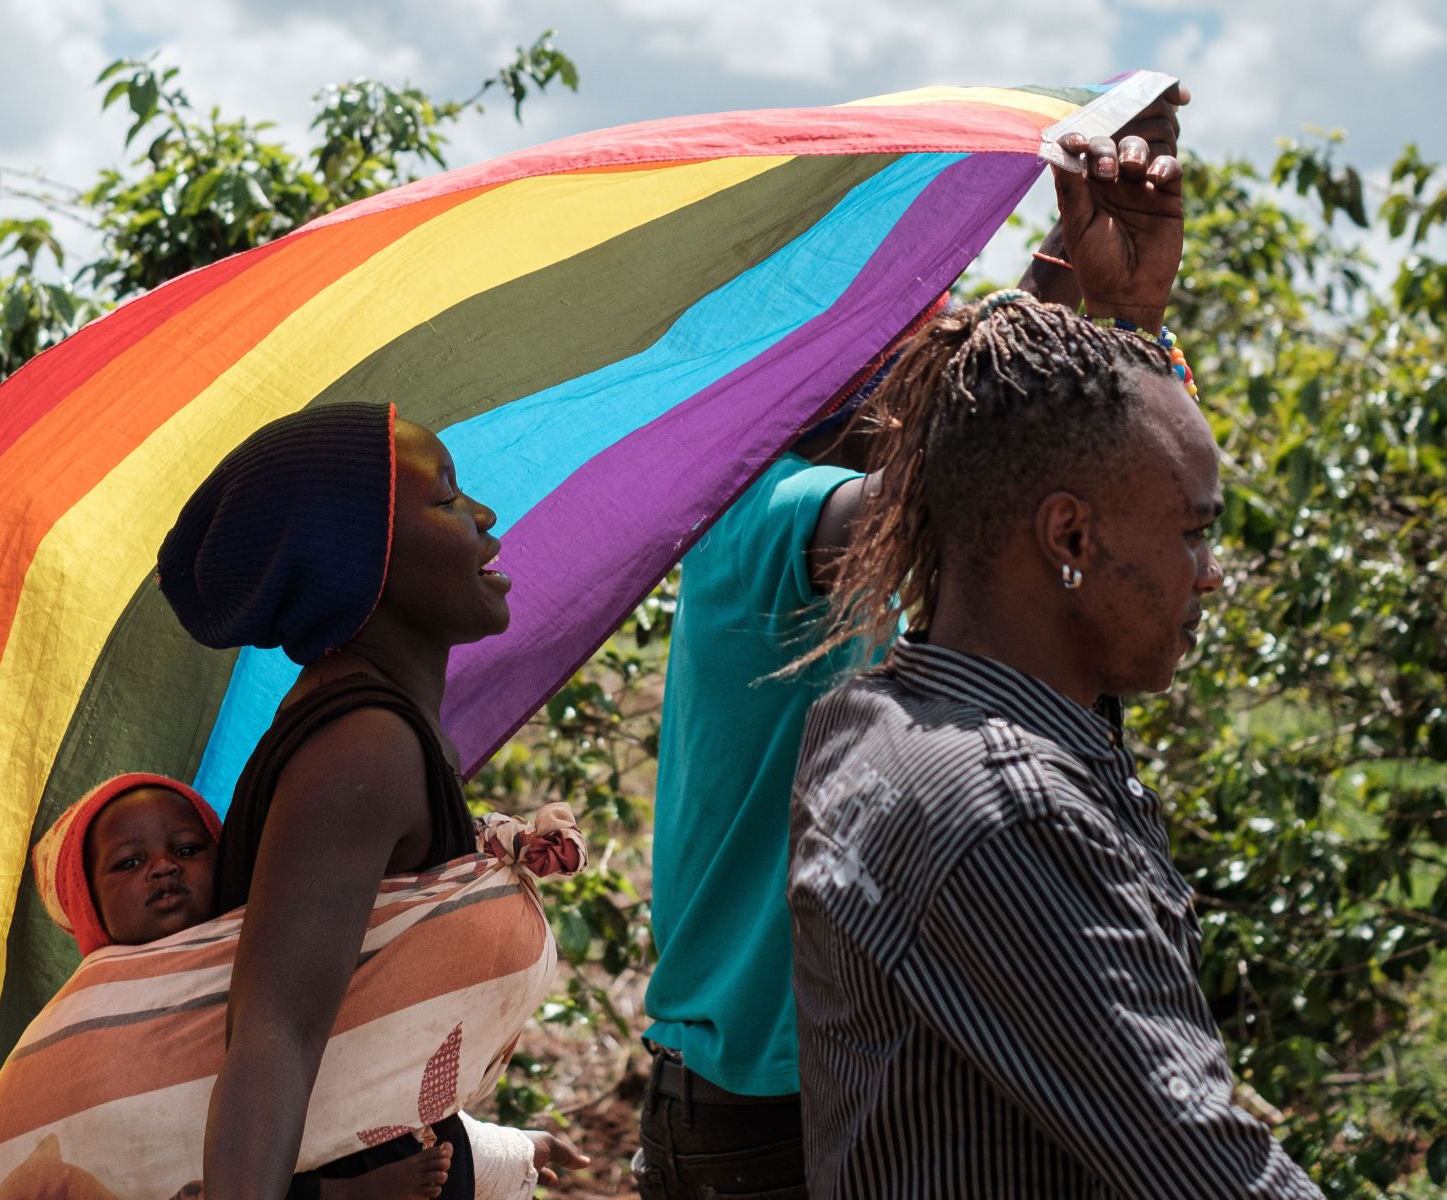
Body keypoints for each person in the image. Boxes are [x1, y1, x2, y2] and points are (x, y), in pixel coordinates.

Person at [637, 86, 1192, 1200]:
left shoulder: (857, 490)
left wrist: (1092, 279)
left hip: (845, 1077)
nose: (936, 346)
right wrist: (1110, 321)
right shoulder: (764, 516)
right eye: (914, 334)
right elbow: (958, 496)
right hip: (758, 1115)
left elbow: (972, 443)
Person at [784, 279, 1323, 1191]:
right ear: (1069, 537)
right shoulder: (1006, 810)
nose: (1213, 575)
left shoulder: (873, 716)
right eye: (1194, 533)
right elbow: (1207, 1173)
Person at [154, 403, 591, 1200]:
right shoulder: (363, 748)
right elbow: (272, 1040)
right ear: (362, 562)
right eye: (447, 497)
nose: (485, 515)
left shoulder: (381, 734)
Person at [22, 772, 582, 1200]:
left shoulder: (277, 948)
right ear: (87, 902)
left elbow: (368, 1085)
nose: (164, 868)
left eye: (188, 850)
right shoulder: (87, 1028)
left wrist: (516, 1151)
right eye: (128, 863)